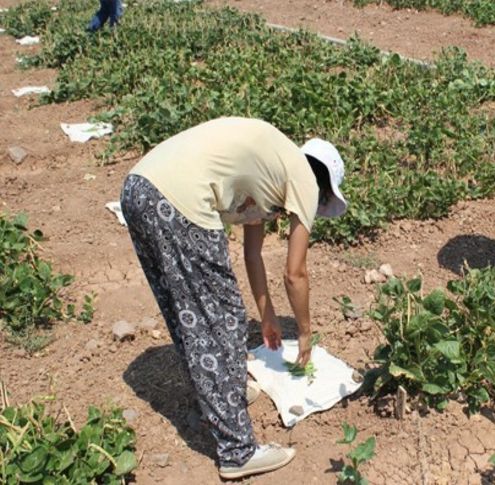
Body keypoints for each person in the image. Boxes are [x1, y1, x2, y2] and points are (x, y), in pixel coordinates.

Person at [120, 117, 348, 480]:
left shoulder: (270, 169)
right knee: (221, 317)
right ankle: (237, 452)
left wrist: (268, 315)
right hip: (179, 200)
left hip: (138, 189)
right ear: (323, 188)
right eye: (322, 203)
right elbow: (295, 273)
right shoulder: (303, 179)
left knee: (189, 310)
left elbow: (253, 254)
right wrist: (305, 331)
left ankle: (220, 395)